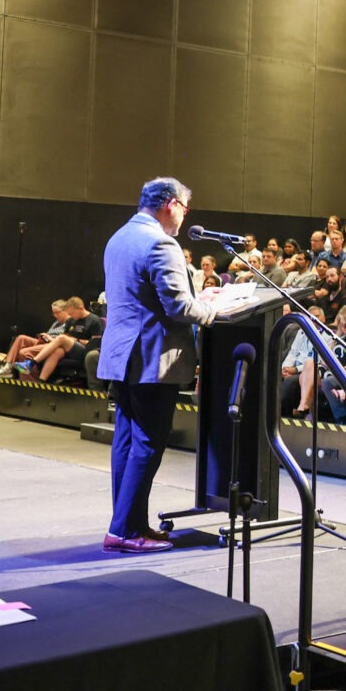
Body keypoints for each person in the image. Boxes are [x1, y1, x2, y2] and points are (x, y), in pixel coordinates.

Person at [98, 177, 218, 554]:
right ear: (170, 204)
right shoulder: (162, 243)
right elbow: (178, 308)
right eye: (184, 208)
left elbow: (145, 295)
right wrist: (213, 310)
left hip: (121, 357)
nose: (185, 216)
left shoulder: (119, 238)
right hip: (151, 360)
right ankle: (122, 530)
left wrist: (199, 294)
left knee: (127, 441)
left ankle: (130, 524)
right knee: (147, 444)